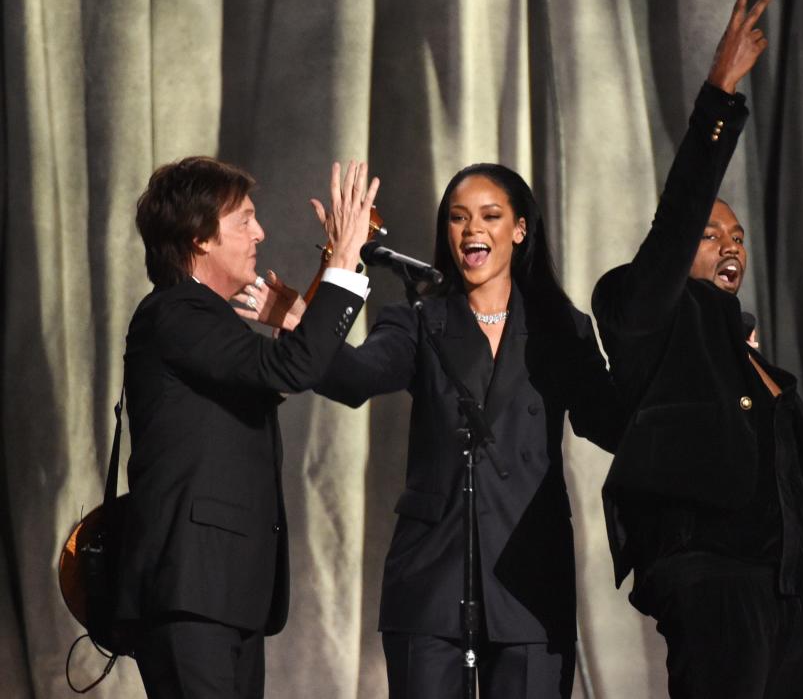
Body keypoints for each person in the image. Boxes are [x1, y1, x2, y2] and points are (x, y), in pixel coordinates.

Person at [244, 163, 624, 698]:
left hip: (529, 579)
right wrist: (302, 322)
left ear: (519, 230)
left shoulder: (562, 329)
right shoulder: (419, 319)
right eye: (458, 218)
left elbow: (608, 421)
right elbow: (358, 378)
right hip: (433, 580)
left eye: (490, 216)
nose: (472, 230)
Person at [591, 0, 803, 698]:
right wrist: (718, 95)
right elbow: (676, 224)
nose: (729, 244)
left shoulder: (760, 361)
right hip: (719, 585)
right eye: (711, 236)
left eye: (736, 237)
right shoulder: (640, 308)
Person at [117, 157, 379, 698]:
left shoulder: (204, 319)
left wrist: (300, 314)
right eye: (244, 220)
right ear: (199, 238)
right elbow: (288, 370)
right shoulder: (174, 313)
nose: (260, 232)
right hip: (190, 589)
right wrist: (346, 258)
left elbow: (277, 378)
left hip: (225, 591)